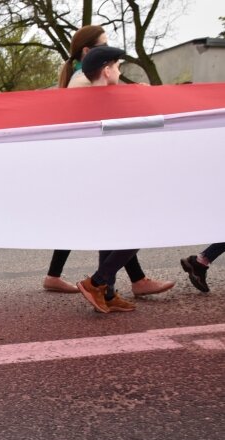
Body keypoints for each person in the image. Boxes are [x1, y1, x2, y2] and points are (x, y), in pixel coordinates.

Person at [42, 25, 174, 298]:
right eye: (106, 49)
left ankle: (109, 286)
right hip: (94, 170)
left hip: (95, 170)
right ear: (94, 56)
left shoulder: (85, 82)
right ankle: (102, 282)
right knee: (125, 223)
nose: (118, 70)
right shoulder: (82, 84)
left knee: (112, 225)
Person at [75, 46, 141, 313]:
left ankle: (108, 292)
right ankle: (97, 282)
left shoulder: (84, 101)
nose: (120, 71)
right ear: (106, 70)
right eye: (117, 66)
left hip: (101, 179)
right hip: (112, 179)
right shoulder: (110, 101)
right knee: (140, 231)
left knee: (111, 235)